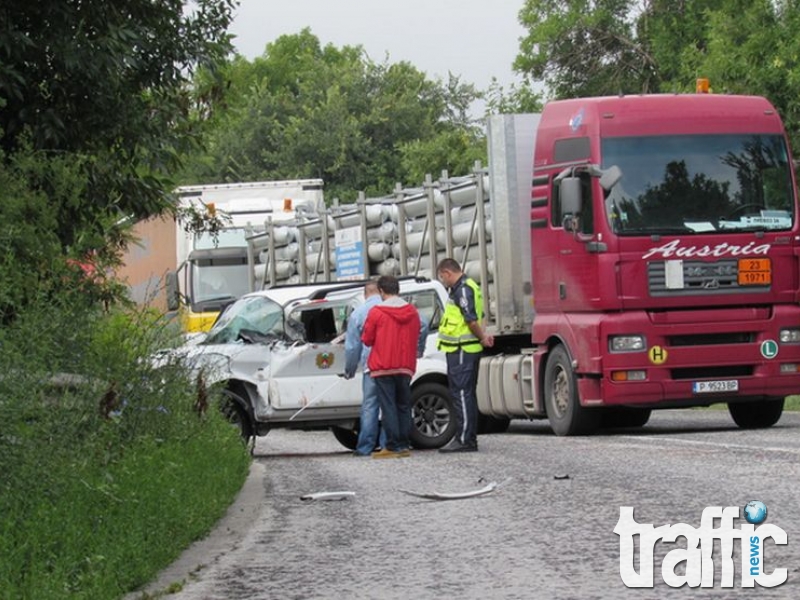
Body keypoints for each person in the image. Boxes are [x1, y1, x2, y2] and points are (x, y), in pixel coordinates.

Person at [436, 258, 494, 453]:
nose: (443, 281)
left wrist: (482, 338)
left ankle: (464, 440)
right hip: (464, 349)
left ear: (447, 272)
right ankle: (467, 438)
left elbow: (470, 320)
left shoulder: (462, 289)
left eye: (442, 277)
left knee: (461, 394)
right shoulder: (468, 286)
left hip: (462, 349)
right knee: (465, 394)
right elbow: (480, 316)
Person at [361, 275, 423, 459]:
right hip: (405, 365)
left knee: (388, 406)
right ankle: (404, 444)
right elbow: (419, 331)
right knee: (404, 405)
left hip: (383, 365)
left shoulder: (376, 312)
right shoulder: (412, 311)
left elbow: (367, 339)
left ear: (381, 291)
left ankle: (392, 445)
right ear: (398, 290)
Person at [343, 280, 387, 456]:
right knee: (389, 405)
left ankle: (365, 447)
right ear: (380, 291)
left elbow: (352, 347)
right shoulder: (390, 307)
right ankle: (387, 445)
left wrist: (350, 369)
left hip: (371, 367)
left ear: (365, 294)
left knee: (370, 406)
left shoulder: (358, 314)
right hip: (393, 365)